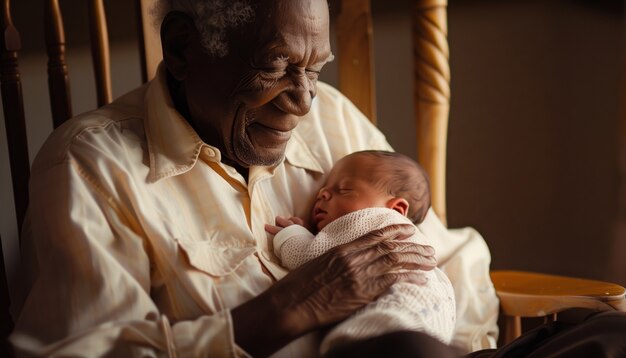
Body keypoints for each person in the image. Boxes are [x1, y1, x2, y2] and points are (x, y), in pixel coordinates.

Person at [10, 0, 624, 357]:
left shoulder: (326, 116)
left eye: (316, 68)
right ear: (182, 48)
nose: (303, 101)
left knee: (610, 336)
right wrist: (285, 309)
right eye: (276, 65)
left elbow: (450, 260)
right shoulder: (90, 166)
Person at [265, 150, 456, 355]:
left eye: (345, 189)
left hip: (386, 335)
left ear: (396, 209)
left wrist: (290, 235)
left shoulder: (378, 220)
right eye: (323, 189)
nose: (322, 194)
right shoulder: (421, 250)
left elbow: (310, 261)